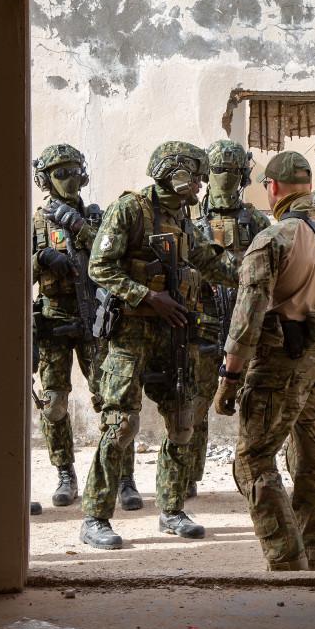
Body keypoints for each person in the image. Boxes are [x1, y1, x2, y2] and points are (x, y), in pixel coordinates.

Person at [80, 140, 239, 549]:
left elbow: (210, 263)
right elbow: (99, 266)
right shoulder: (130, 209)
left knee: (183, 423)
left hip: (174, 335)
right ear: (175, 173)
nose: (201, 184)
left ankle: (171, 510)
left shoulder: (182, 218)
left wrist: (255, 270)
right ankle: (95, 518)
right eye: (196, 176)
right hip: (131, 334)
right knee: (120, 425)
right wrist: (147, 296)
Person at [214, 150, 315, 572]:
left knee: (252, 460)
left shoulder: (274, 238)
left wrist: (229, 378)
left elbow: (247, 319)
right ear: (308, 185)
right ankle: (314, 551)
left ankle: (286, 558)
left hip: (280, 364)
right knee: (311, 456)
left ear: (272, 188)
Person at [32, 144, 145, 509]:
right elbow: (15, 269)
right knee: (53, 404)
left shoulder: (98, 218)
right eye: (59, 173)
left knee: (114, 403)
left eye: (73, 172)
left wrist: (80, 227)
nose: (68, 179)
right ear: (45, 180)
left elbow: (113, 254)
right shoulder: (36, 223)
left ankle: (124, 479)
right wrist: (41, 258)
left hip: (94, 322)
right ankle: (65, 474)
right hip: (54, 323)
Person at [190, 140, 272, 499]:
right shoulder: (191, 221)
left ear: (243, 176)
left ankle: (251, 474)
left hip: (246, 324)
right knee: (195, 403)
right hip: (203, 324)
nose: (225, 177)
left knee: (253, 404)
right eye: (219, 170)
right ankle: (188, 475)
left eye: (233, 171)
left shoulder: (256, 221)